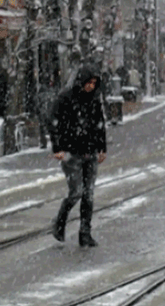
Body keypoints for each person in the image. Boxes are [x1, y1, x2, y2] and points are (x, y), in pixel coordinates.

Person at [49, 66, 107, 247]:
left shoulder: (94, 99)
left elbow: (99, 122)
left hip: (89, 151)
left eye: (94, 83)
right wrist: (57, 147)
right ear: (81, 81)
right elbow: (53, 121)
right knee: (76, 192)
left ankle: (85, 232)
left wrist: (101, 147)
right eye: (89, 83)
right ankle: (60, 220)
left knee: (88, 194)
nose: (91, 86)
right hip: (71, 152)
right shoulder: (65, 98)